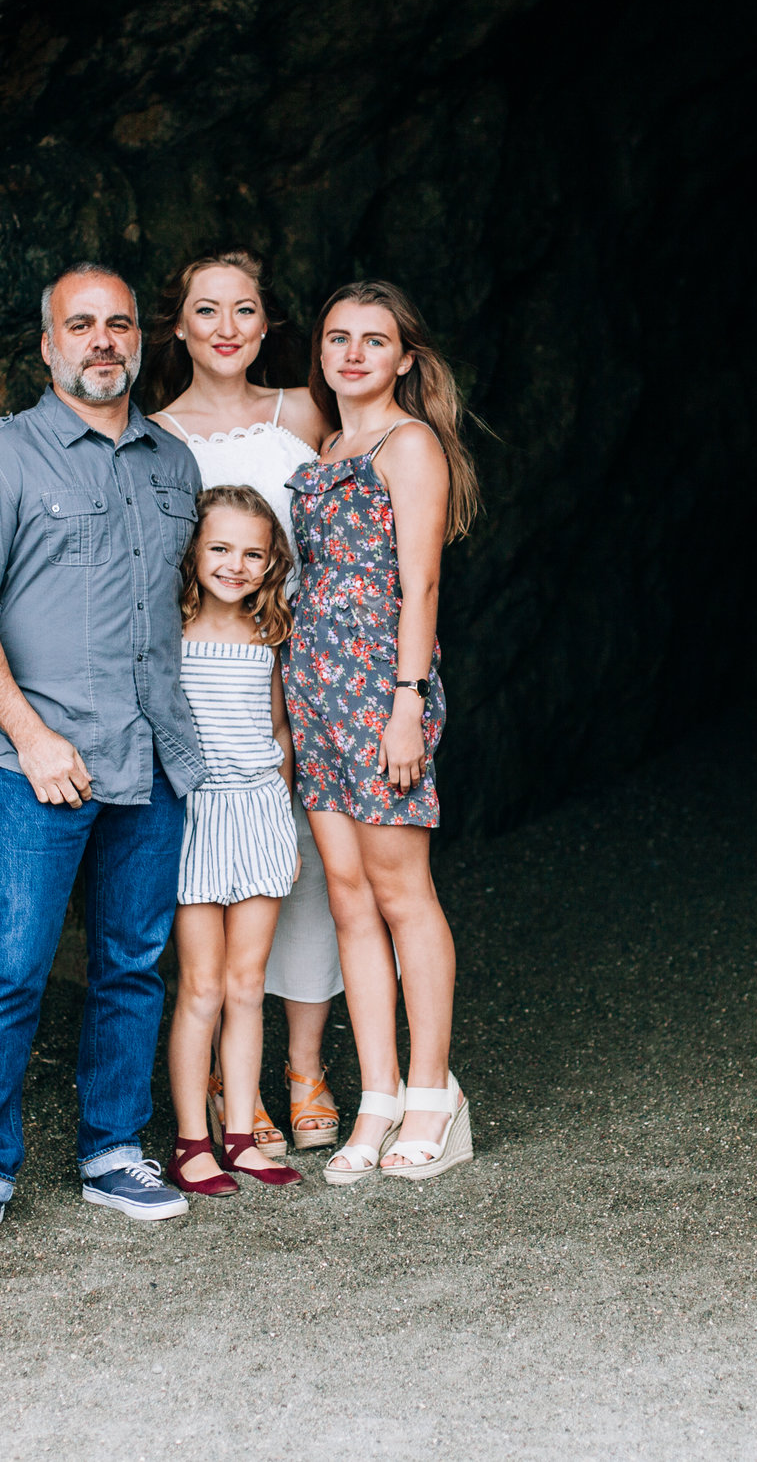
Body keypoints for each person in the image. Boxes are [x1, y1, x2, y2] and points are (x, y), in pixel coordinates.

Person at [0, 262, 206, 1257]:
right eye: (79, 325)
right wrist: (32, 735)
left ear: (140, 341)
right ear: (47, 346)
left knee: (132, 962)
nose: (101, 341)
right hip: (37, 762)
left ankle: (111, 1148)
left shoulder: (174, 464)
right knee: (11, 965)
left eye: (118, 324)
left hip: (152, 758)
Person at [148, 251, 346, 1156]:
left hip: (309, 658)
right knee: (225, 881)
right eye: (206, 310)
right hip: (213, 670)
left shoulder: (303, 410)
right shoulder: (153, 434)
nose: (226, 326)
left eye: (245, 310)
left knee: (308, 865)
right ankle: (233, 1090)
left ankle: (306, 1066)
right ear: (179, 326)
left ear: (269, 326)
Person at [286, 280, 483, 1184]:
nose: (354, 352)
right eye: (338, 338)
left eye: (375, 339)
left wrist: (407, 700)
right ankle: (379, 1094)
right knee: (348, 897)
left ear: (406, 357)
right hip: (315, 693)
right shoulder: (328, 443)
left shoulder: (410, 446)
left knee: (404, 894)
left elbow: (422, 584)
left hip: (378, 691)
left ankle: (436, 1096)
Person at [162, 486, 306, 1195]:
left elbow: (278, 732)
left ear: (271, 560)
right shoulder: (171, 630)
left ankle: (243, 1135)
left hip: (258, 812)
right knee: (203, 986)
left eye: (253, 552)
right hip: (196, 814)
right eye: (220, 547)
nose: (236, 564)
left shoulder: (270, 632)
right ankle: (192, 1141)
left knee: (248, 985)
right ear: (194, 549)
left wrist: (281, 814)